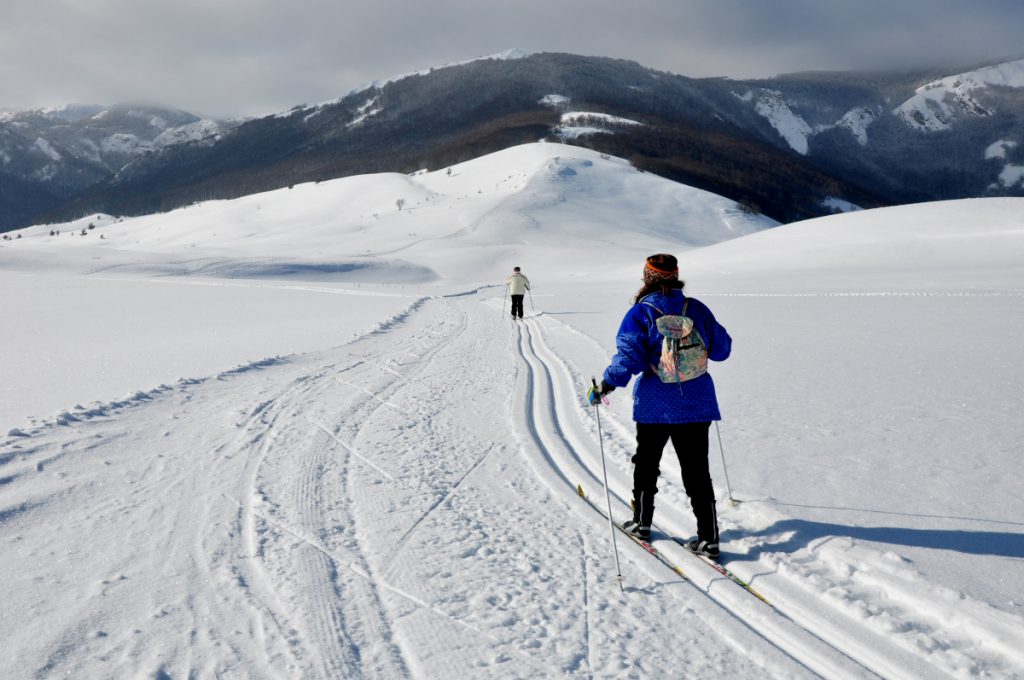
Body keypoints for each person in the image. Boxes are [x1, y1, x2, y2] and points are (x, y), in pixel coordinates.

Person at [592, 253, 732, 558]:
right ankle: (708, 537)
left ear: (647, 278)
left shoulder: (640, 313)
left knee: (646, 464)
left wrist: (606, 383)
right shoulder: (696, 309)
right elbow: (722, 349)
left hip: (654, 405)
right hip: (696, 402)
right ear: (676, 275)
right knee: (697, 471)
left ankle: (642, 523)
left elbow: (630, 357)